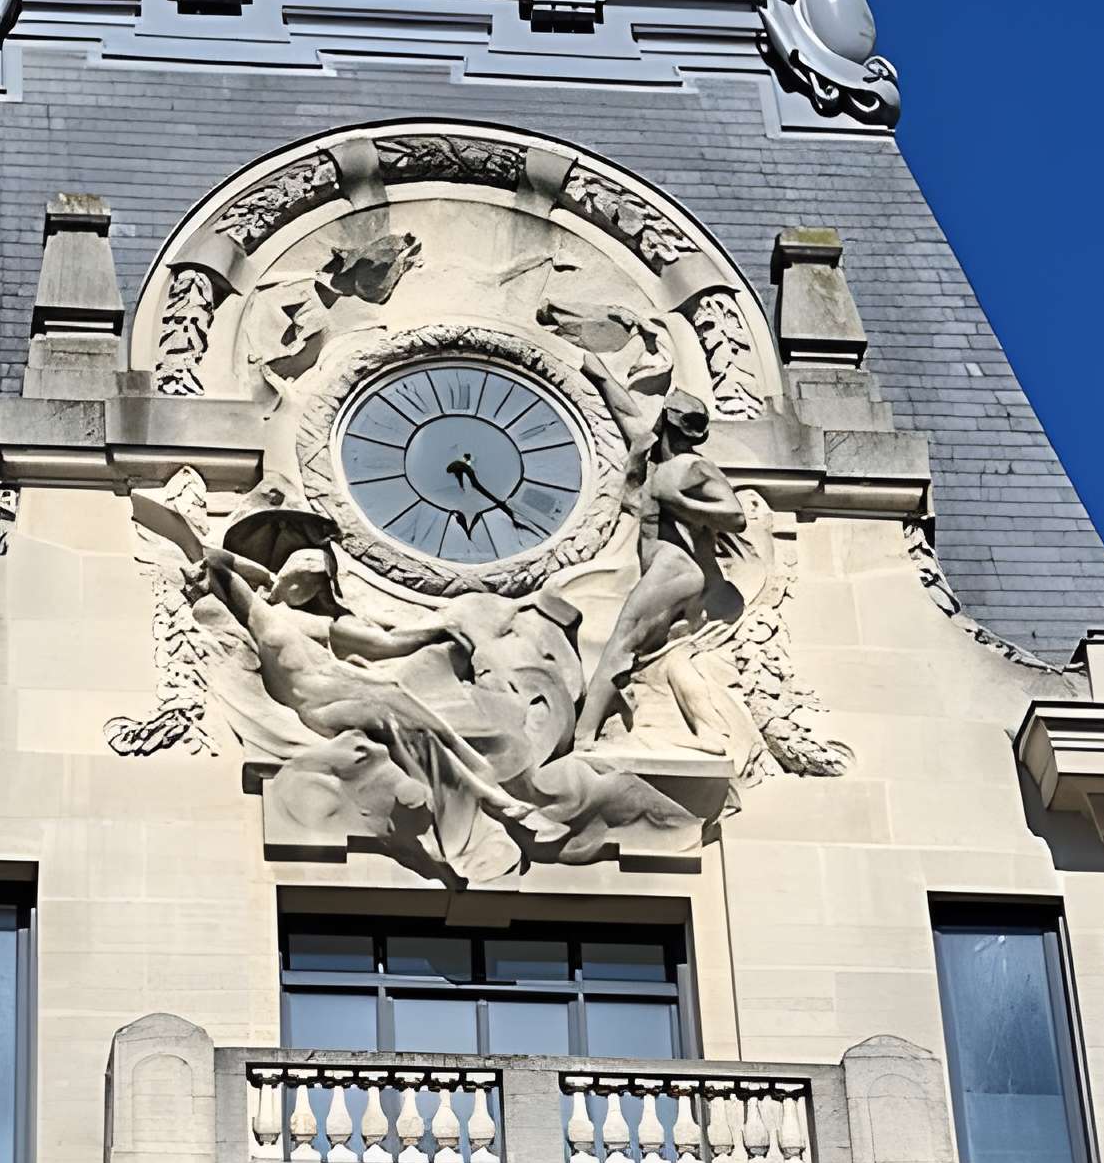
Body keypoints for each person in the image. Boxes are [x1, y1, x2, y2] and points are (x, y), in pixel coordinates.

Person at [200, 544, 567, 843]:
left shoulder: (309, 623)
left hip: (343, 683)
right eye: (302, 574)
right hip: (316, 705)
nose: (305, 585)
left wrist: (434, 632)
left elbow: (384, 642)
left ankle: (482, 783)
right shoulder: (257, 613)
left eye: (315, 580)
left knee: (395, 698)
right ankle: (486, 790)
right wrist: (249, 571)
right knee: (388, 705)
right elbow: (216, 560)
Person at [575, 358, 749, 746]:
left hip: (675, 568)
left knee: (621, 642)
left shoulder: (692, 467)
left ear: (669, 421)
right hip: (666, 569)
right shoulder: (661, 461)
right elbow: (629, 418)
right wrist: (599, 373)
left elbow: (735, 517)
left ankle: (583, 737)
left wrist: (679, 503)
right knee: (646, 653)